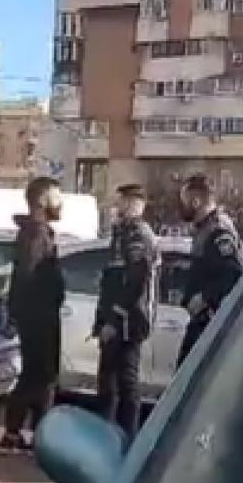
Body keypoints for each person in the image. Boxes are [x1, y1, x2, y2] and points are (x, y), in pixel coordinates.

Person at [1, 176, 66, 452]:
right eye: (56, 196)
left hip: (39, 314)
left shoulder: (39, 232)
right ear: (41, 201)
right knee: (40, 376)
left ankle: (28, 432)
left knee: (39, 376)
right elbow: (27, 277)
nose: (60, 202)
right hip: (38, 317)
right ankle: (22, 434)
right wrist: (22, 313)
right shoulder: (36, 235)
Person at [92, 183, 158, 440]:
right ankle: (107, 435)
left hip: (129, 322)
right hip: (116, 319)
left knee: (125, 383)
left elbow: (136, 280)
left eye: (122, 202)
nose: (117, 207)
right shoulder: (122, 233)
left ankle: (126, 438)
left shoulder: (138, 235)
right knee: (108, 382)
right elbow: (112, 280)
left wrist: (115, 318)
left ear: (134, 205)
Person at [176, 173, 243, 366]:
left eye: (184, 200)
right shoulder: (204, 229)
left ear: (196, 201)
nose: (181, 205)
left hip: (212, 323)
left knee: (189, 377)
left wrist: (205, 298)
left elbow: (234, 273)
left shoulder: (218, 230)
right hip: (202, 321)